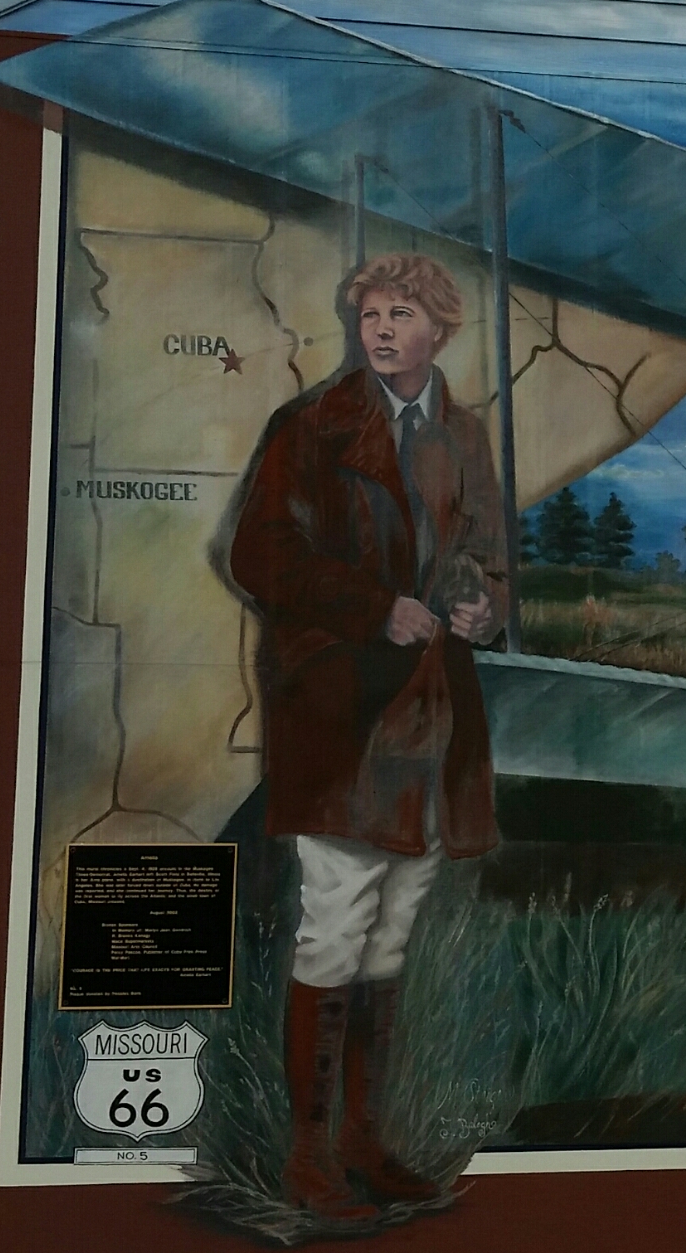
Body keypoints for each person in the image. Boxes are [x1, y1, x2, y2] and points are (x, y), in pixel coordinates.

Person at [229, 252, 506, 1219]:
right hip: (341, 715)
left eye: (401, 315)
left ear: (442, 330)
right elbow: (258, 553)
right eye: (372, 315)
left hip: (432, 718)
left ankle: (363, 1144)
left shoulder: (464, 434)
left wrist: (482, 607)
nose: (381, 331)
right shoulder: (311, 425)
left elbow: (490, 559)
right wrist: (371, 607)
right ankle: (309, 1159)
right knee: (337, 921)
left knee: (391, 930)